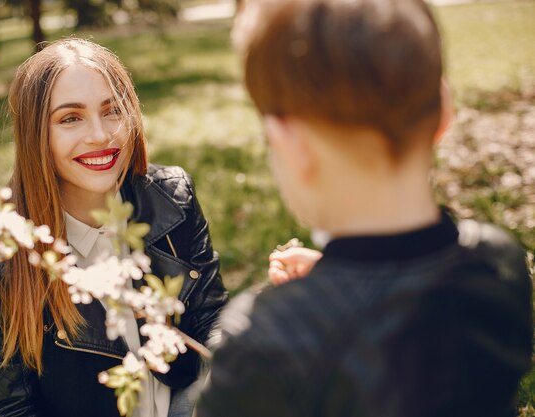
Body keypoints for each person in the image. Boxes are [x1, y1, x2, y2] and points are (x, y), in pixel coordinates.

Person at [196, 1, 533, 416]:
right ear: (444, 110)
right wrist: (337, 281)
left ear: (289, 143)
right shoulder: (499, 264)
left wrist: (321, 299)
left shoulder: (263, 341)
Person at [0, 38, 228, 417]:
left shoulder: (172, 199)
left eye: (112, 111)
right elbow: (11, 406)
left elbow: (211, 318)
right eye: (70, 118)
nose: (101, 135)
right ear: (36, 134)